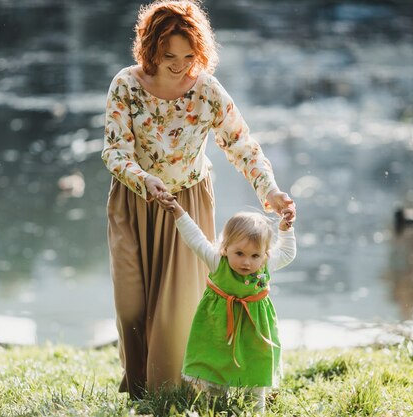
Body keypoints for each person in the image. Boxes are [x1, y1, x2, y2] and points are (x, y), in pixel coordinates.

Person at [101, 0, 296, 398]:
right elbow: (114, 151)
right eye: (169, 55)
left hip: (185, 204)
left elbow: (241, 145)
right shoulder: (126, 85)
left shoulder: (206, 89)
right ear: (150, 48)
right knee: (131, 306)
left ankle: (167, 393)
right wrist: (143, 179)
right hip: (133, 201)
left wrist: (270, 190)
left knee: (173, 311)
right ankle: (137, 383)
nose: (179, 64)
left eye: (189, 55)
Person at [160, 193, 296, 412]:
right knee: (216, 364)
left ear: (265, 254)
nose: (246, 262)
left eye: (255, 255)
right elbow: (195, 238)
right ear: (225, 248)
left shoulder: (266, 264)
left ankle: (255, 408)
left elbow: (288, 253)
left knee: (256, 365)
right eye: (239, 253)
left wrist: (286, 228)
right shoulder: (217, 261)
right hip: (218, 326)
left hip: (255, 329)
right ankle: (213, 404)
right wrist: (178, 212)